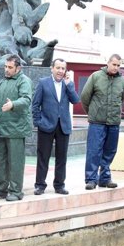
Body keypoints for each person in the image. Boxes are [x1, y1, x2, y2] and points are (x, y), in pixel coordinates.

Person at [0, 54, 33, 201]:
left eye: (10, 67)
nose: (6, 69)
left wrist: (13, 104)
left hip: (16, 128)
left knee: (15, 161)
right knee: (0, 160)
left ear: (18, 68)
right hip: (1, 127)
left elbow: (26, 99)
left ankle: (16, 191)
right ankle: (0, 188)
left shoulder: (24, 81)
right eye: (6, 66)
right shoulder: (2, 82)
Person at [32, 58, 80, 195]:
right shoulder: (43, 83)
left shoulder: (68, 84)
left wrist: (69, 84)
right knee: (43, 157)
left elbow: (75, 100)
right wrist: (38, 122)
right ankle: (40, 185)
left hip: (63, 126)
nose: (60, 71)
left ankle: (59, 185)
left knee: (62, 157)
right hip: (46, 125)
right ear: (52, 68)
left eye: (63, 68)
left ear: (65, 71)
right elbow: (35, 104)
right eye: (58, 68)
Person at [80, 53, 124, 190]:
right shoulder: (96, 76)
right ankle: (91, 179)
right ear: (108, 63)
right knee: (94, 150)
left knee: (110, 150)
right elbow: (84, 97)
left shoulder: (122, 80)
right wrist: (92, 112)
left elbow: (121, 99)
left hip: (113, 122)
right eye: (114, 64)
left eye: (118, 65)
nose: (116, 67)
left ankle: (105, 178)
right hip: (97, 122)